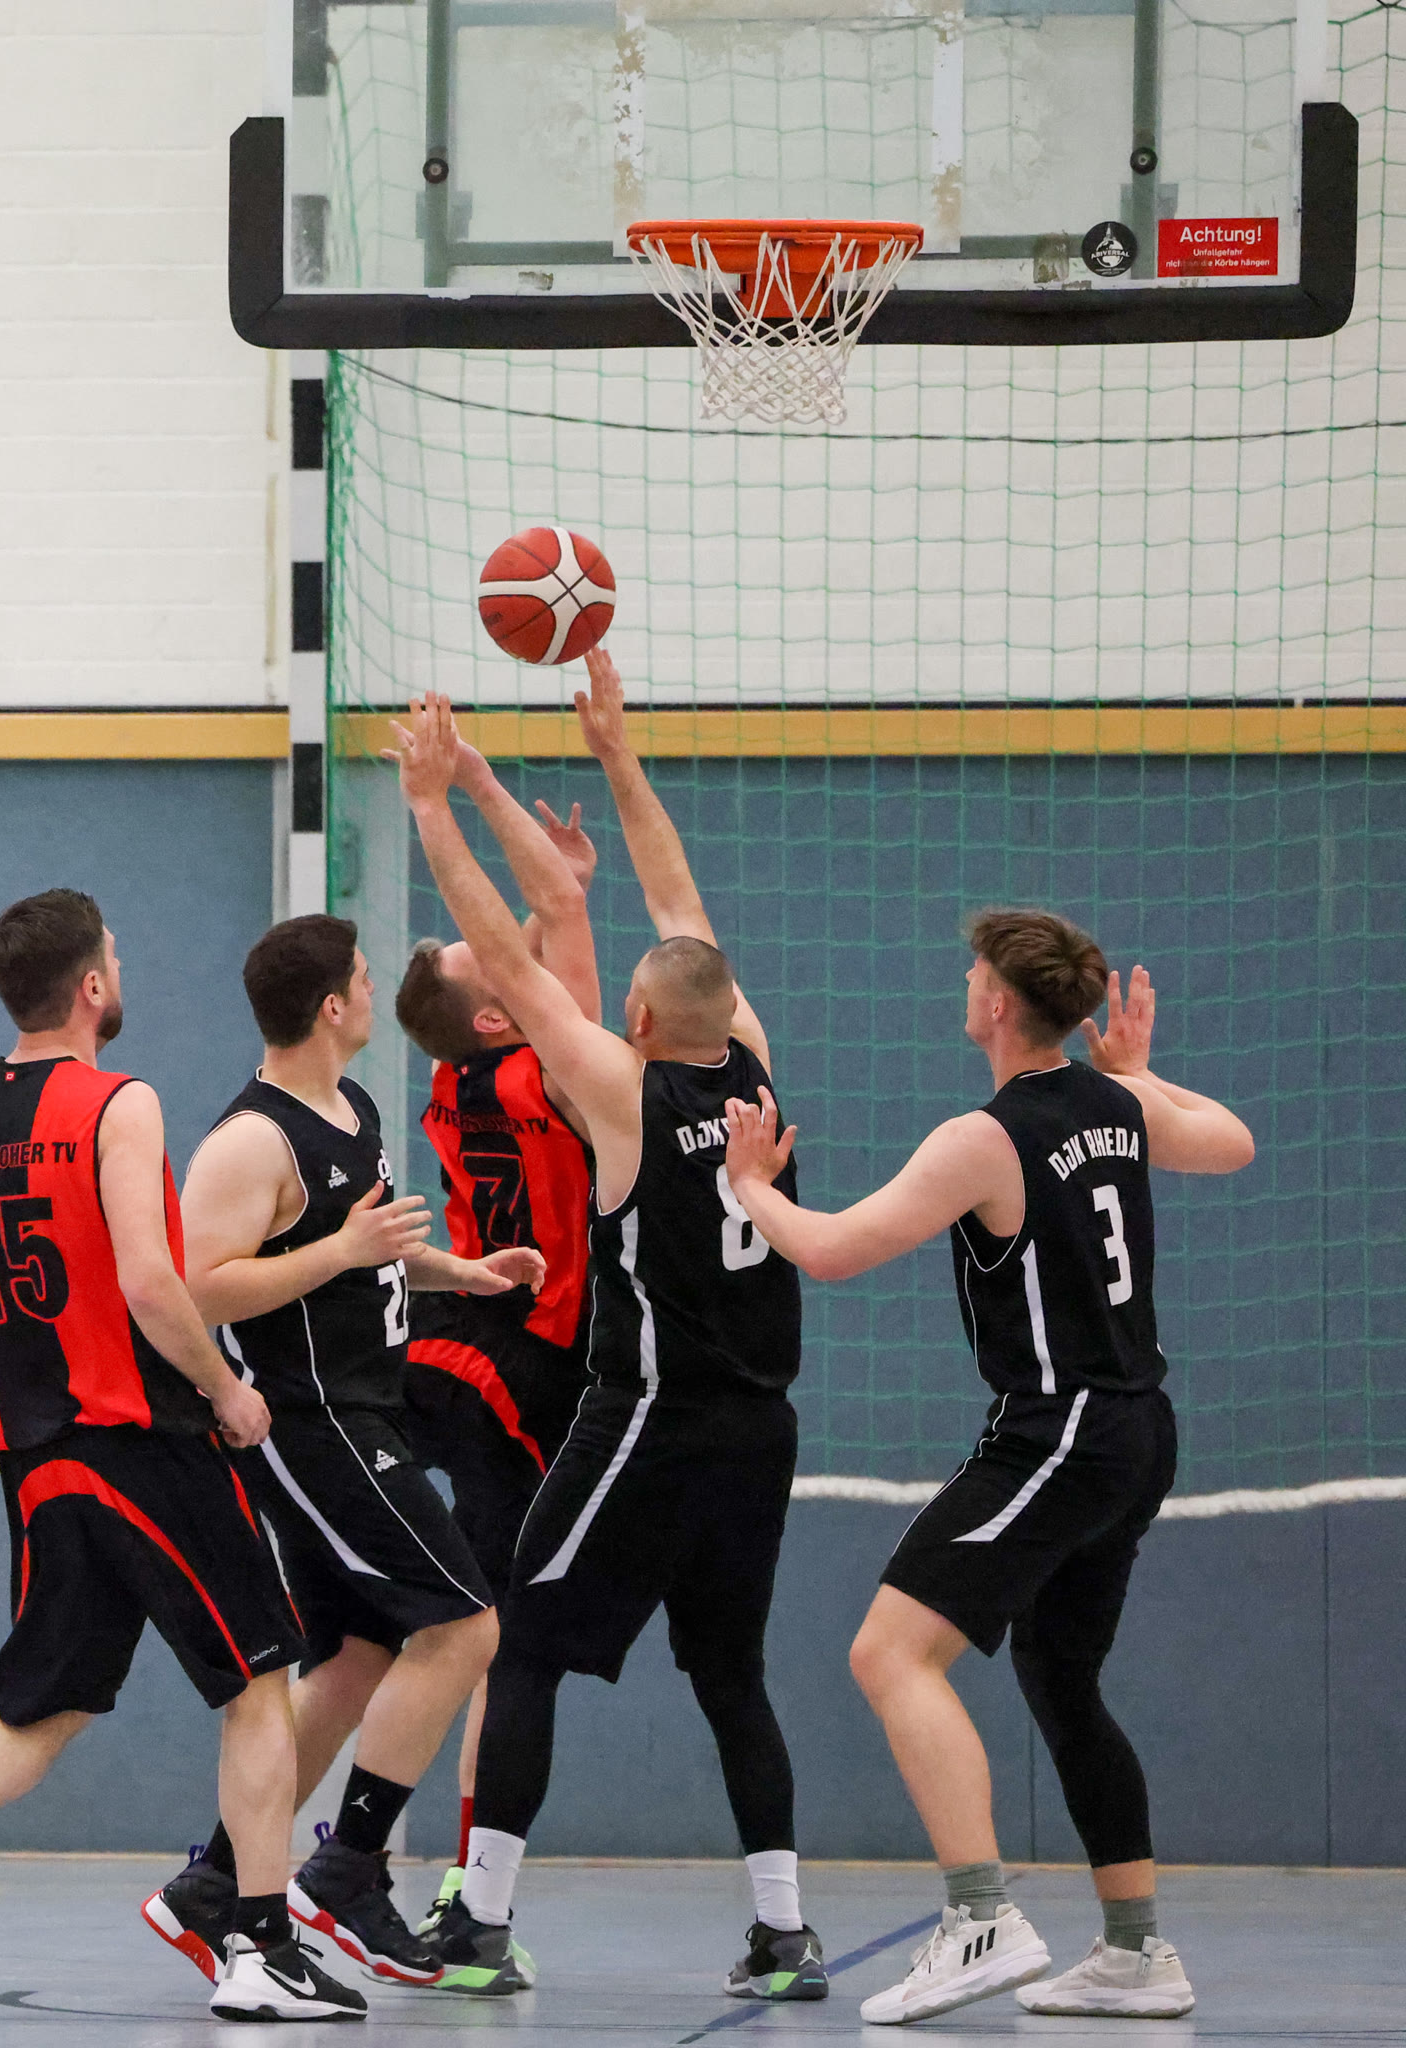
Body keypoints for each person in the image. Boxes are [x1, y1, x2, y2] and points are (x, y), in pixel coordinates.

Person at [0, 889, 365, 2023]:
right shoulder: (119, 1102)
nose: (121, 970)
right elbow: (151, 1284)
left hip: (36, 1459)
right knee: (259, 1681)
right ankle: (260, 1947)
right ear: (88, 987)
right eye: (113, 956)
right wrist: (228, 1391)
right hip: (145, 1438)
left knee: (48, 1701)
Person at [719, 911, 1255, 2025]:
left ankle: (979, 1917)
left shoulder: (984, 1136)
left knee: (888, 1651)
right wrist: (1142, 1074)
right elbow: (1232, 1140)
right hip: (1138, 1428)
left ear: (999, 1004)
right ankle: (1136, 1950)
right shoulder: (1117, 1105)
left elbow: (832, 1249)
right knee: (1059, 1676)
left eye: (973, 971)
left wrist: (751, 1185)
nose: (963, 982)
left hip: (1059, 1428)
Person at [391, 674, 827, 2004]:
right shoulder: (753, 1063)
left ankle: (480, 1918)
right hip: (761, 1428)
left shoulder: (623, 1093)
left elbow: (509, 957)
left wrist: (432, 802)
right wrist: (620, 757)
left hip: (647, 1416)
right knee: (732, 1674)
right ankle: (784, 1930)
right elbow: (675, 899)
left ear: (636, 1022)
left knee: (523, 1642)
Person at [140, 915, 534, 1992]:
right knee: (465, 1625)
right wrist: (344, 1248)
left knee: (358, 1657)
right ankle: (348, 1864)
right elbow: (196, 1286)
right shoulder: (249, 1140)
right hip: (311, 1426)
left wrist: (460, 1272)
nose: (373, 990)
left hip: (368, 1411)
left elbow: (369, 1260)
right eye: (361, 978)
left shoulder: (352, 1106)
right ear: (329, 1006)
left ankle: (217, 1882)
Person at [393, 748, 601, 1922]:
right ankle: (462, 1890)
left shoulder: (452, 1079)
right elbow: (545, 937)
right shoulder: (544, 1076)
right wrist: (459, 780)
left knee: (444, 1628)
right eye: (491, 952)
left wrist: (552, 893)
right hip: (517, 1368)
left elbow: (518, 954)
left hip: (431, 1341)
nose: (504, 945)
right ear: (495, 1013)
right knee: (499, 1643)